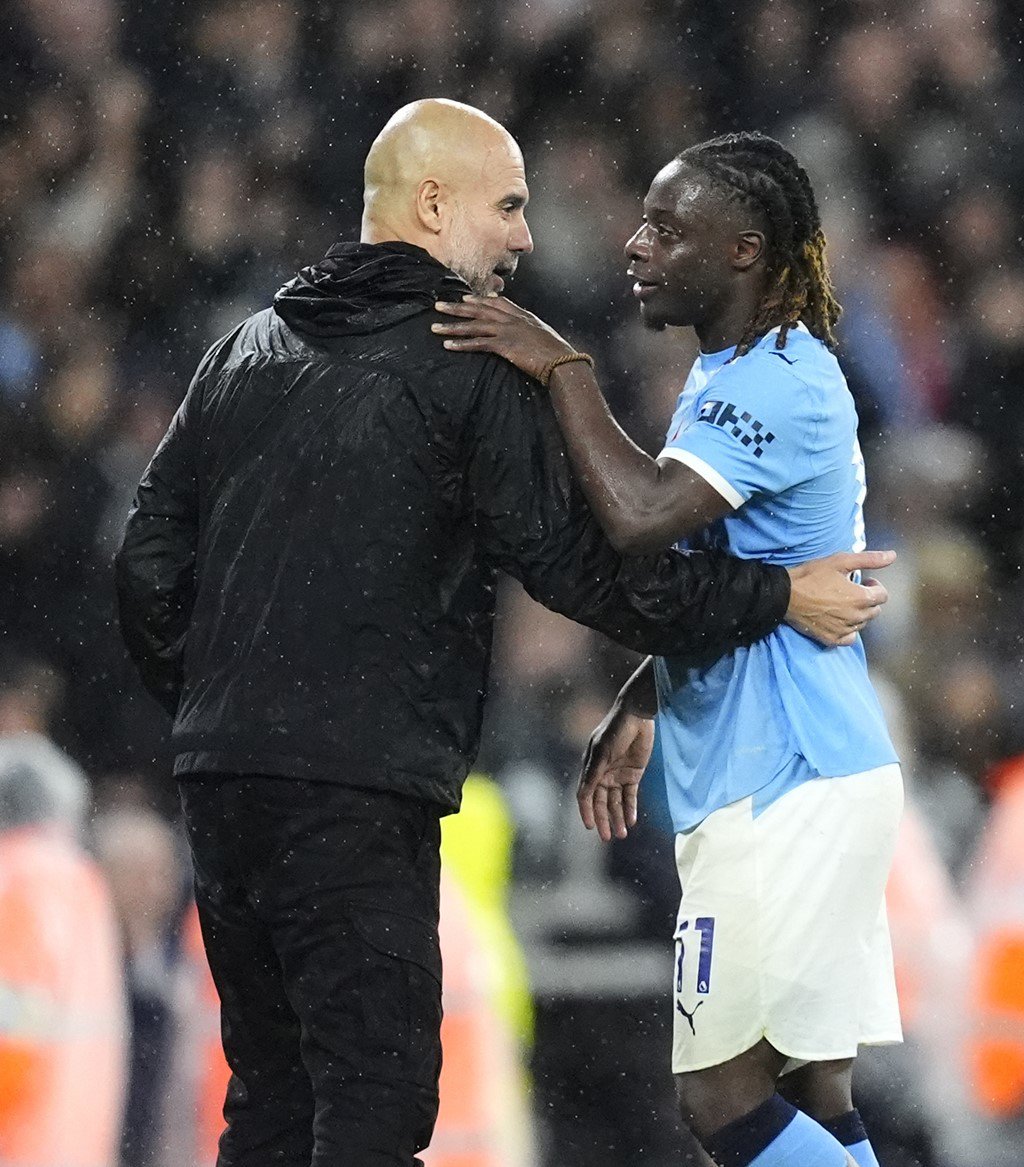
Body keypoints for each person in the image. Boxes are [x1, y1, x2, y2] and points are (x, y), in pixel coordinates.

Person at [115, 104, 892, 1167]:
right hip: (359, 786)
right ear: (435, 205)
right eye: (510, 205)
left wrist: (221, 709)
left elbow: (147, 563)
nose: (527, 237)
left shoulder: (243, 348)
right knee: (373, 1102)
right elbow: (590, 565)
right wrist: (769, 598)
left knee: (270, 1096)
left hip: (224, 785)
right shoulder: (463, 357)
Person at [433, 131, 902, 1167]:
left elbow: (640, 515)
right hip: (809, 769)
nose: (636, 247)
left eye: (667, 229)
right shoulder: (738, 370)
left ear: (744, 250)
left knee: (720, 1101)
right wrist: (646, 696)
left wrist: (561, 366)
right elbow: (726, 576)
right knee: (810, 1096)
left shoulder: (771, 382)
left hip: (780, 781)